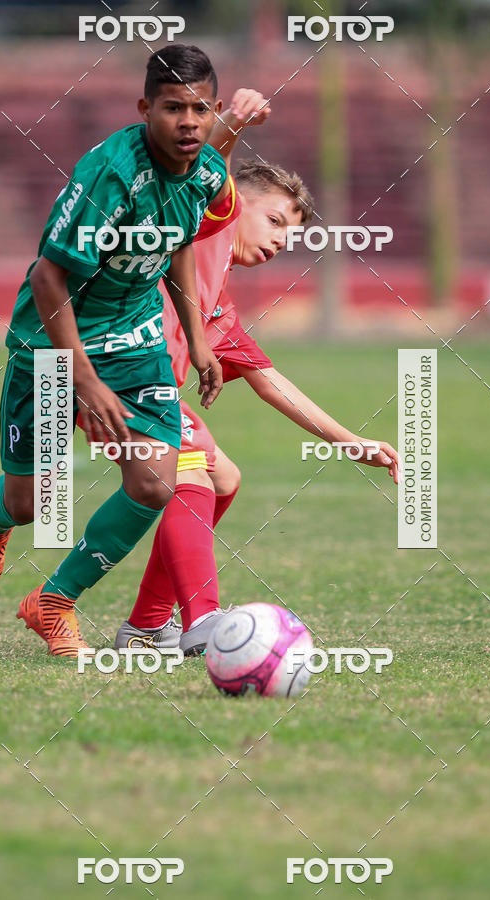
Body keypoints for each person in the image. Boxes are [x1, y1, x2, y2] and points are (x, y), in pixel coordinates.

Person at [0, 44, 229, 658]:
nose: (188, 122)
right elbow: (46, 281)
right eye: (172, 109)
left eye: (200, 109)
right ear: (145, 109)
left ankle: (53, 601)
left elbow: (181, 244)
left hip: (136, 343)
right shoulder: (109, 178)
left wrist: (199, 334)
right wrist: (82, 380)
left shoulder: (209, 171)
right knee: (34, 501)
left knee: (157, 482)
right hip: (53, 344)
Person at [113, 149, 399, 655]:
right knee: (195, 468)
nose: (278, 241)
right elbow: (199, 167)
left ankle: (147, 625)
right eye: (272, 220)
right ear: (230, 202)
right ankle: (201, 619)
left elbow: (271, 382)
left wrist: (351, 442)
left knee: (223, 479)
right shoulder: (201, 226)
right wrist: (235, 120)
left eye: (288, 236)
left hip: (138, 392)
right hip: (107, 370)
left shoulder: (218, 305)